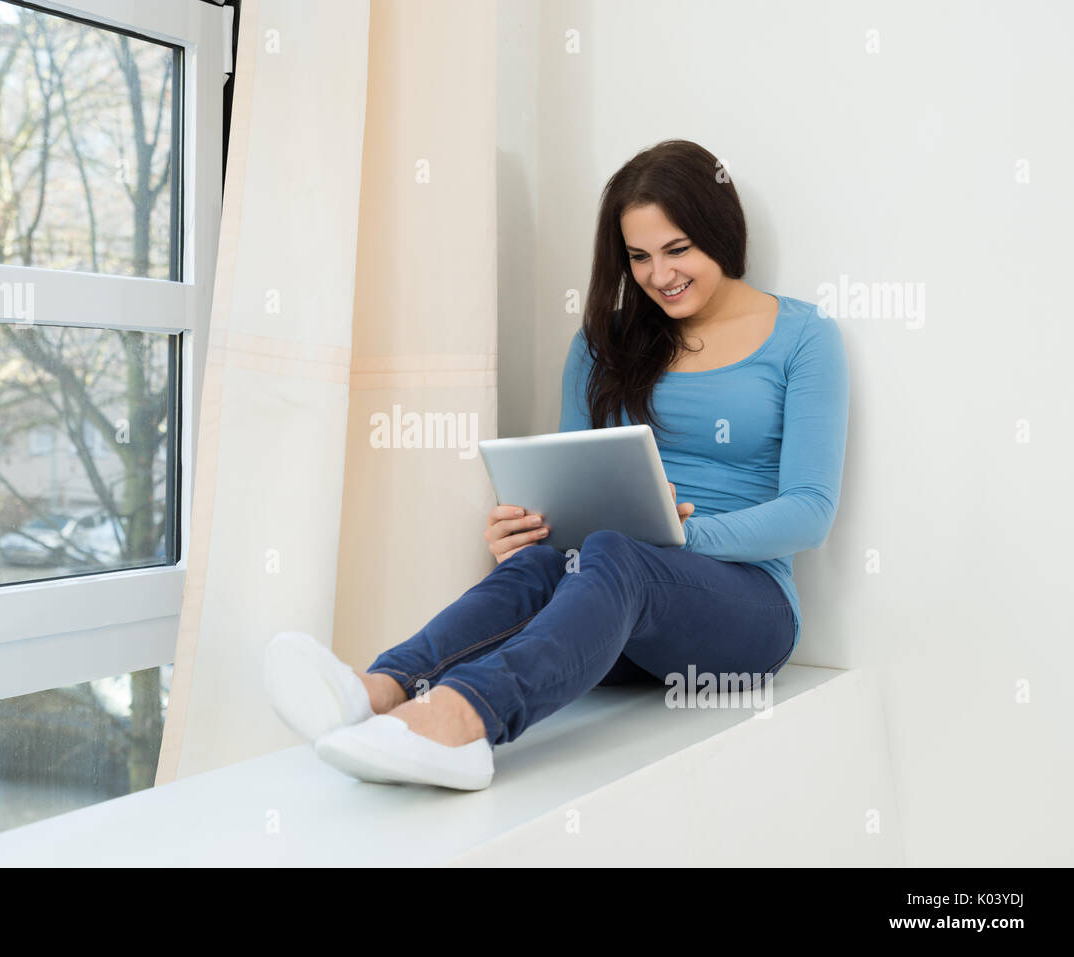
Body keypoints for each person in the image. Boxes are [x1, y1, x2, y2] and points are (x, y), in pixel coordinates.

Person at [264, 139, 849, 791]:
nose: (660, 275)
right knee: (556, 558)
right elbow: (573, 474)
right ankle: (377, 690)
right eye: (639, 257)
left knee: (617, 553)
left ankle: (460, 722)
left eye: (677, 249)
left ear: (720, 229)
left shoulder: (804, 336)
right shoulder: (603, 343)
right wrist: (528, 528)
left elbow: (810, 510)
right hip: (612, 613)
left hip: (742, 610)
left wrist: (684, 535)